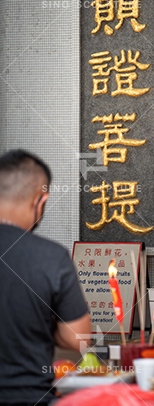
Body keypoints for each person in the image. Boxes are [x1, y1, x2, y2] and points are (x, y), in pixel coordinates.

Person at [0, 150, 90, 406]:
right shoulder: (51, 257)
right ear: (40, 201)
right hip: (29, 397)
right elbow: (78, 339)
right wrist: (39, 318)